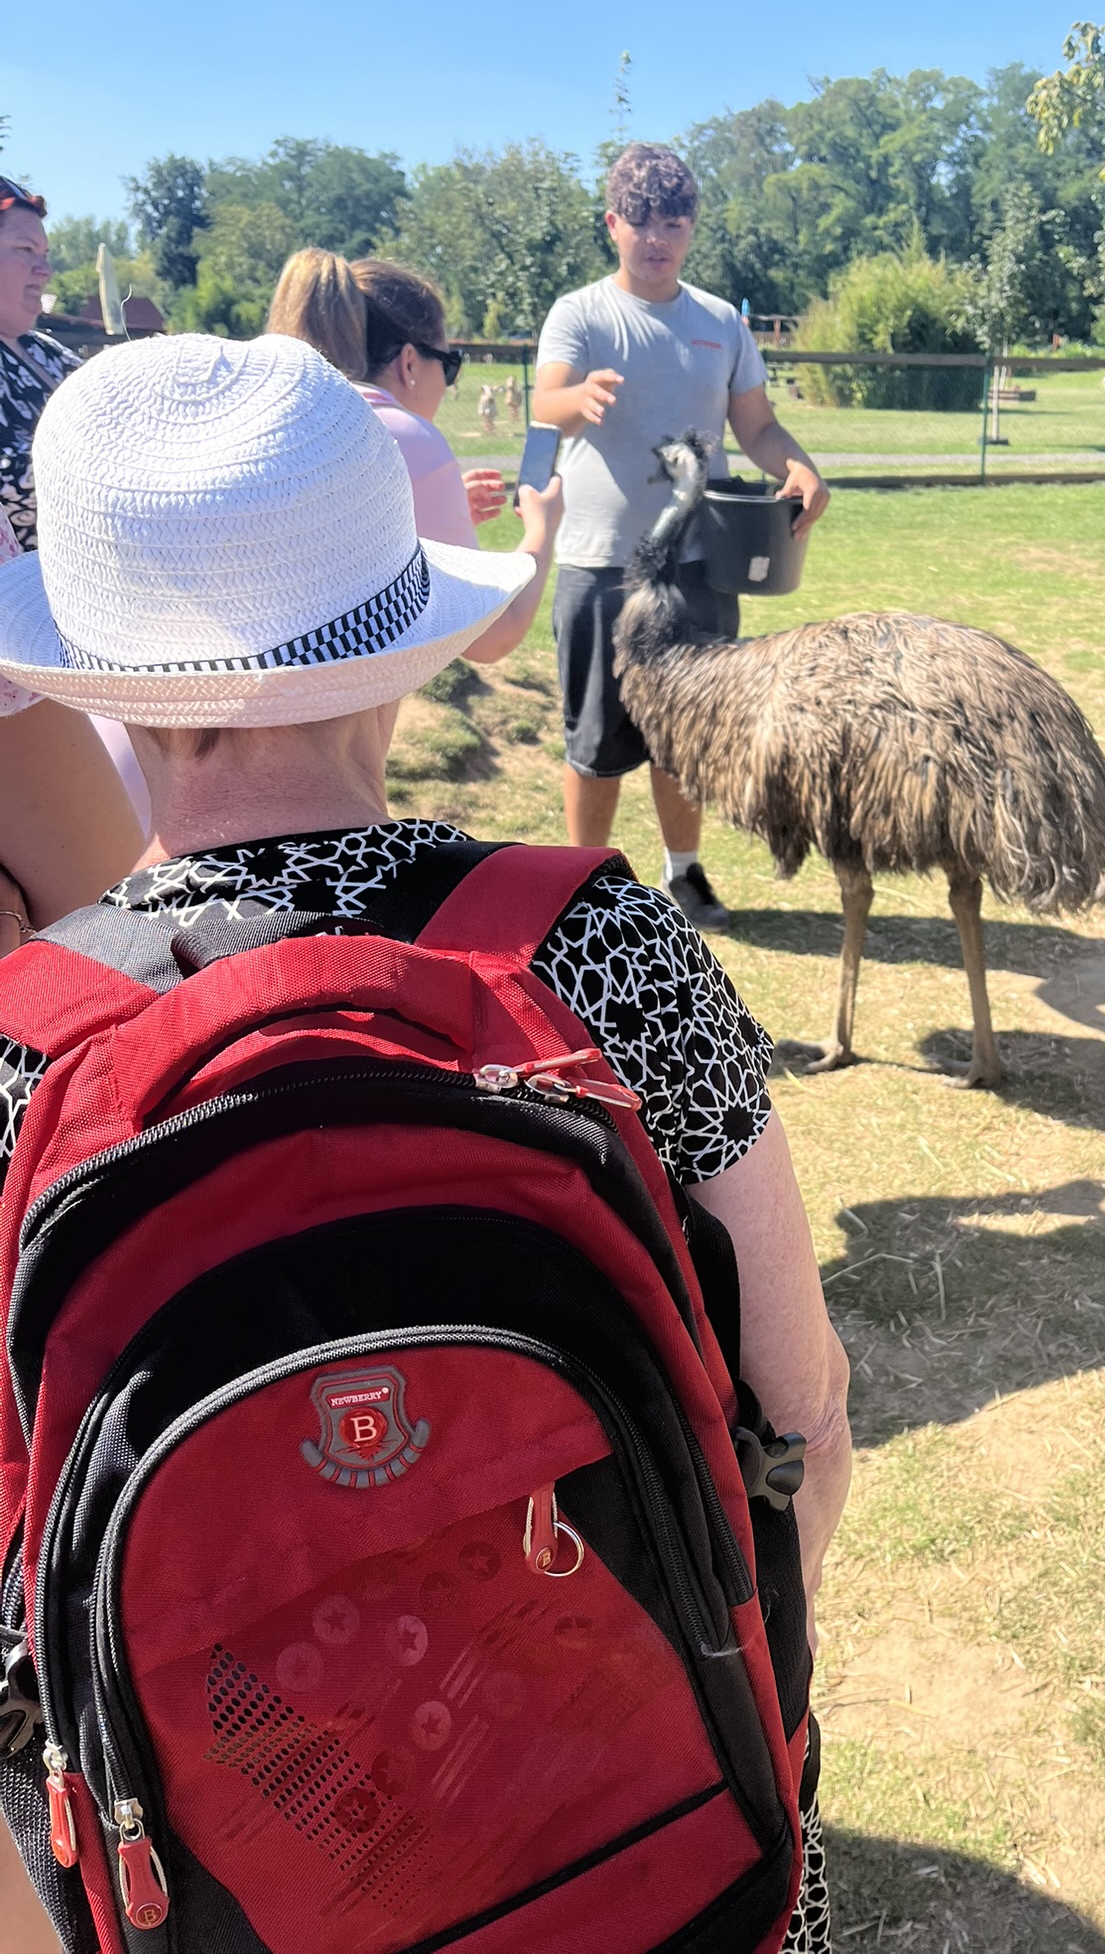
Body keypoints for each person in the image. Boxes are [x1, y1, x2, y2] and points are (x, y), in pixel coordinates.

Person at [0, 332, 849, 1952]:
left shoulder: (23, 1057)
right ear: (398, 646)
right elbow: (800, 1416)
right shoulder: (607, 946)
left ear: (102, 683)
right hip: (664, 1869)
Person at [533, 143, 830, 928]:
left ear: (692, 228)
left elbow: (757, 427)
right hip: (601, 565)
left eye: (672, 223)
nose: (656, 238)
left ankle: (684, 874)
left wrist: (798, 466)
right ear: (612, 225)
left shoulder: (720, 322)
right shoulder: (580, 314)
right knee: (596, 743)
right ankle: (583, 892)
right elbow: (544, 405)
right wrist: (577, 400)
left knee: (686, 737)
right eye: (640, 222)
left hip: (699, 566)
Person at [0, 175, 149, 927]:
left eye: (46, 251)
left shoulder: (46, 356)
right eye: (24, 249)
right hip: (25, 656)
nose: (45, 266)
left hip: (87, 640)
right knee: (112, 920)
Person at [268, 250, 508, 555]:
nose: (448, 384)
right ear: (409, 364)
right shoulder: (411, 440)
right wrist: (543, 523)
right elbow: (482, 589)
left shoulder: (289, 422)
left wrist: (438, 510)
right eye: (449, 364)